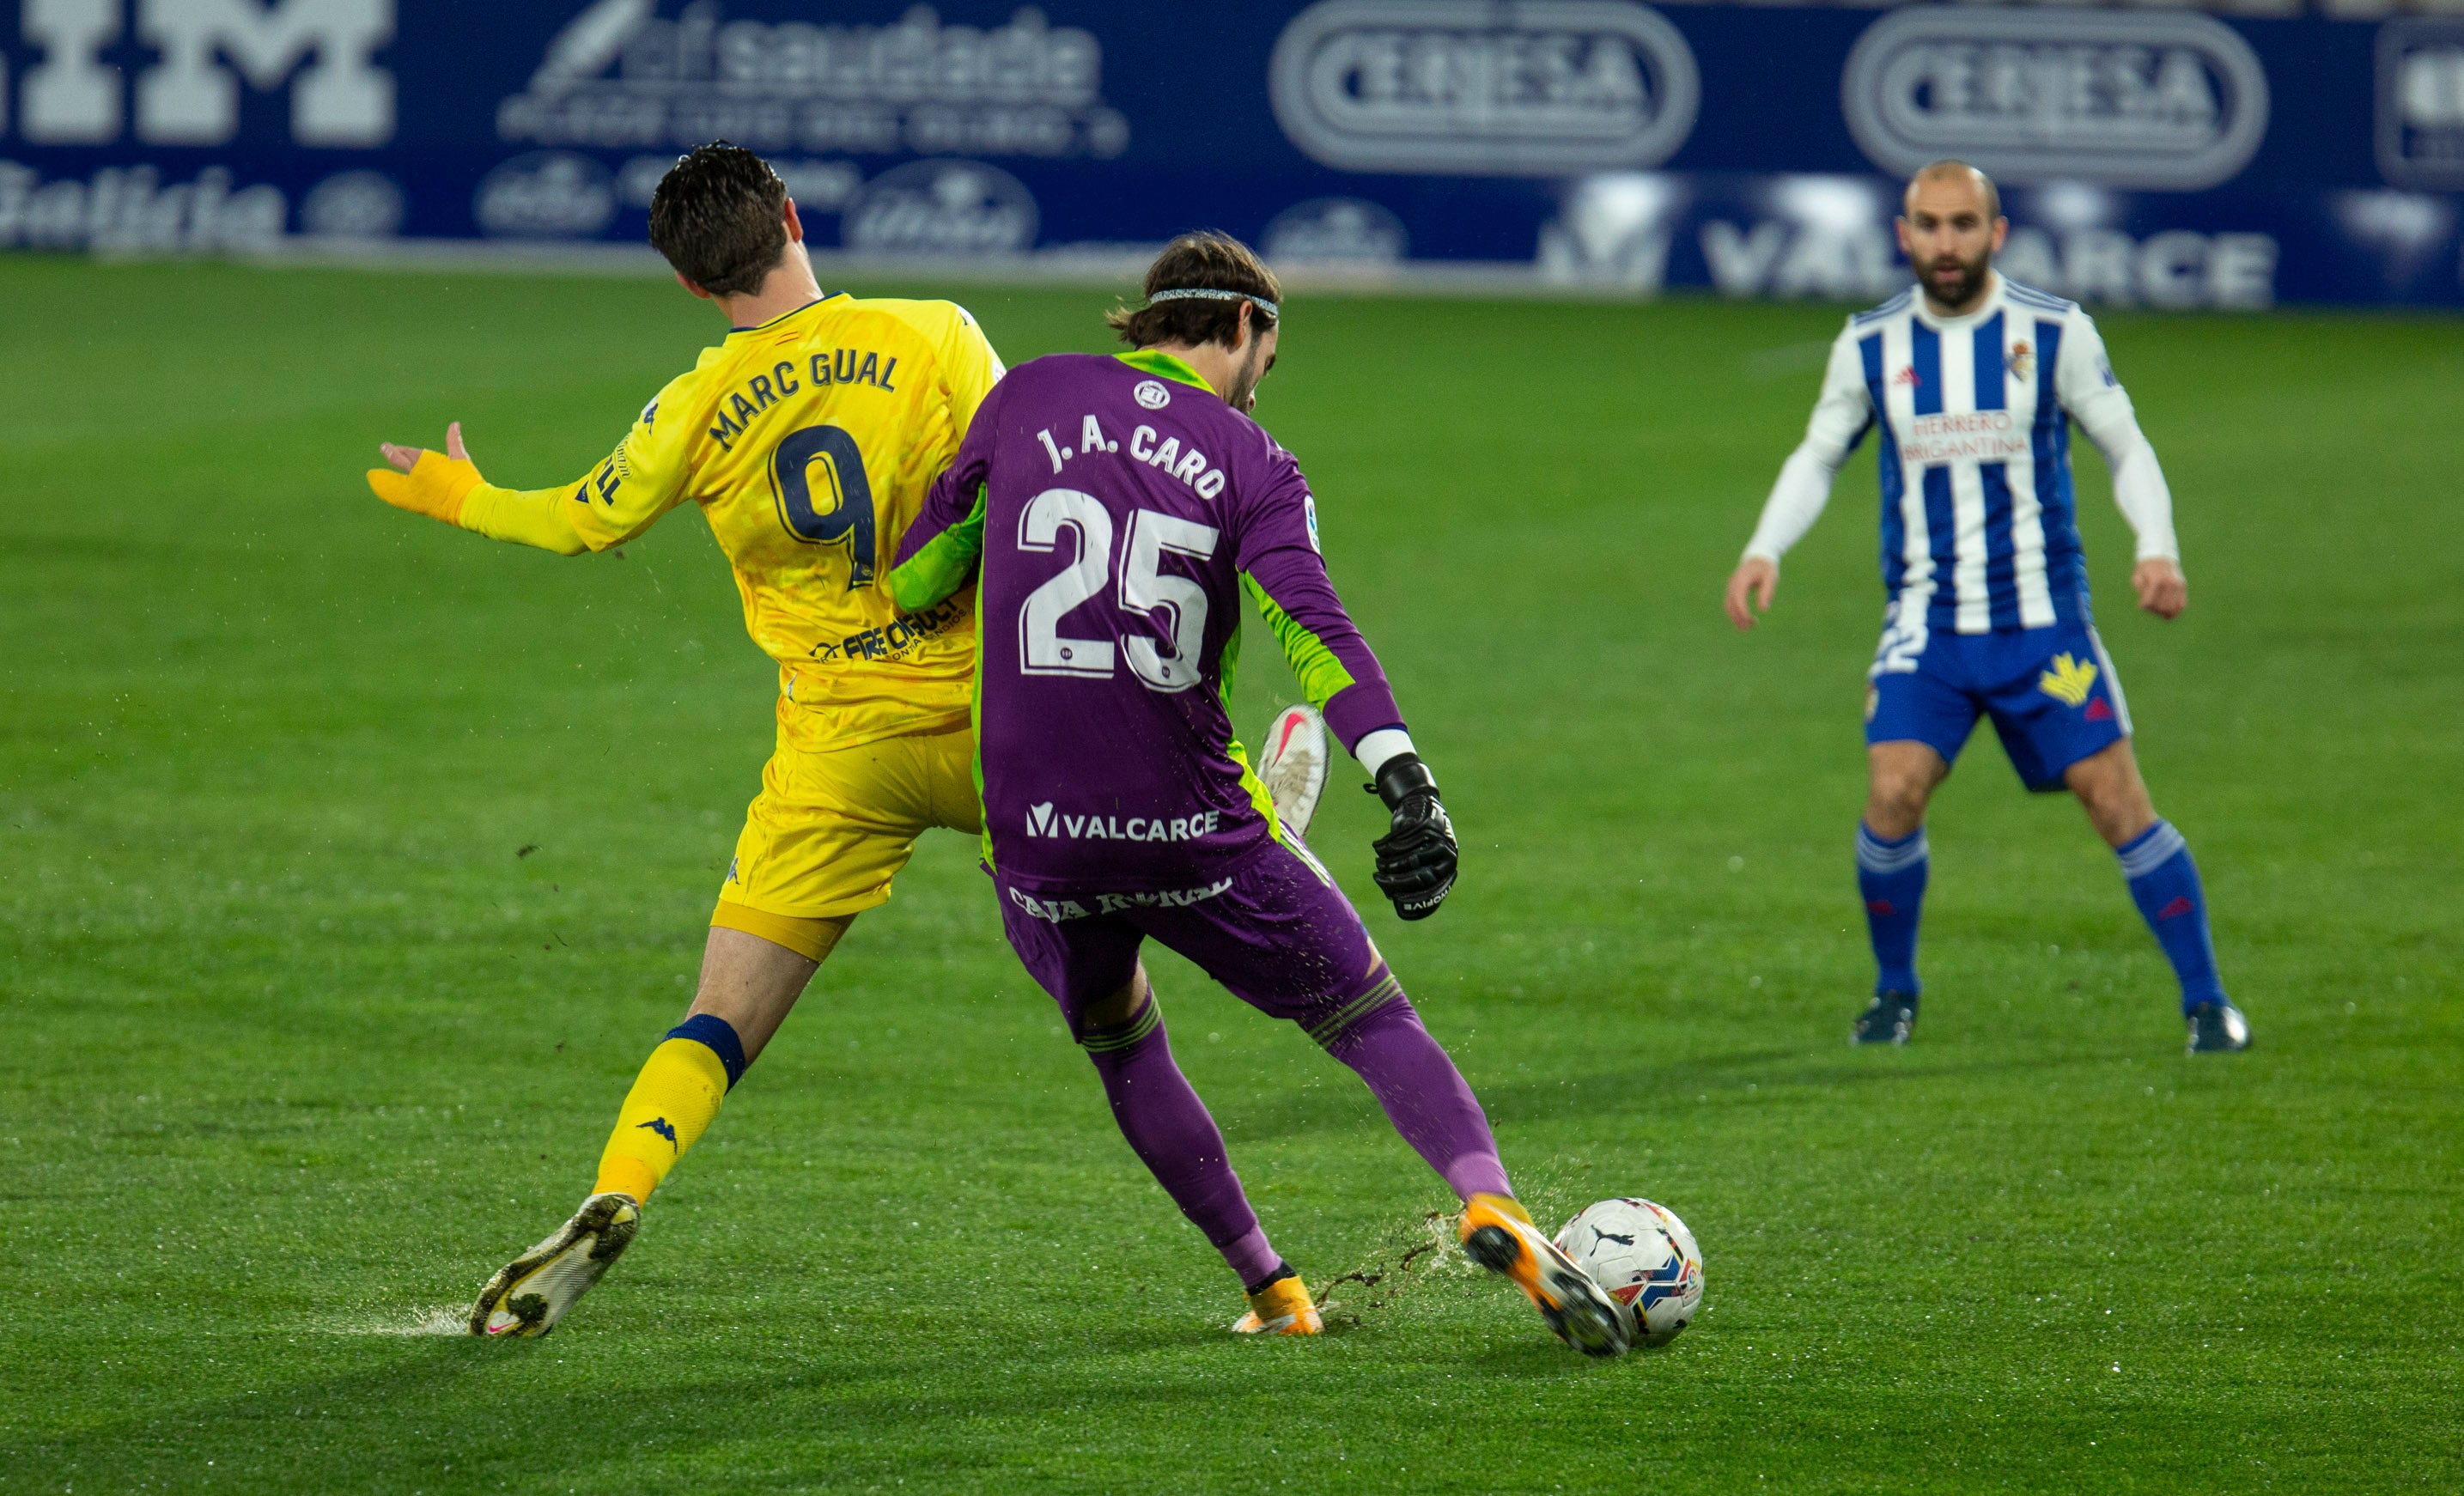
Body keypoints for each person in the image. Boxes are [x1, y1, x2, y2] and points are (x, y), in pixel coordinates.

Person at [885, 232, 1632, 1354]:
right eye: (1266, 358)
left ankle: (1276, 1291)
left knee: (1123, 1042)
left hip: (1038, 840)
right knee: (1372, 1020)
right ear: (1243, 326)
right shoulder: (1254, 461)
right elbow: (1315, 634)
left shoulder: (1029, 394)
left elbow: (915, 577)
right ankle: (1492, 1202)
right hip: (1197, 832)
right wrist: (1406, 781)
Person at [363, 143, 1006, 1335]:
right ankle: (1257, 831)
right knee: (1175, 859)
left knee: (718, 1018)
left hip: (837, 755)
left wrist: (464, 496)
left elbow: (581, 521)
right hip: (989, 724)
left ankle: (620, 1184)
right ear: (793, 216)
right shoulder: (937, 335)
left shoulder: (696, 403)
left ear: (690, 283)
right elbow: (1021, 483)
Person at [1723, 161, 2250, 1055]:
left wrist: (2155, 545)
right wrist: (1764, 546)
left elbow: (2125, 446)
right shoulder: (1871, 342)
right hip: (1926, 626)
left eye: (1963, 224)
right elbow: (1818, 453)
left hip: (2044, 627)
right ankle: (1894, 992)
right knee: (1892, 792)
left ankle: (2206, 1000)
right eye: (1928, 225)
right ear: (1903, 234)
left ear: (1995, 233)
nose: (1945, 243)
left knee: (2117, 803)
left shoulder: (2052, 332)